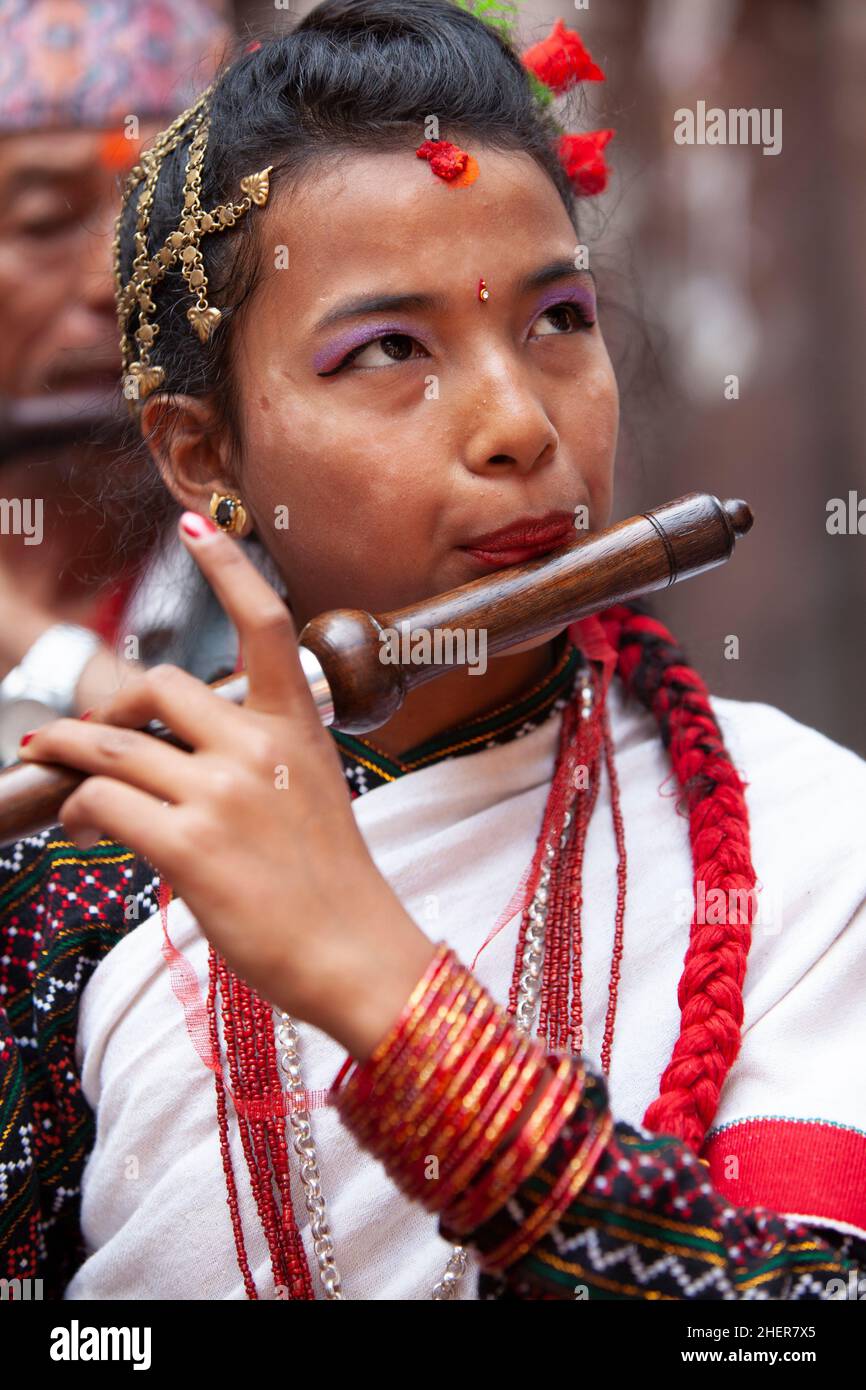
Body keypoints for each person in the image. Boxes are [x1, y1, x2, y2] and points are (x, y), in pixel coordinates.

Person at [1, 0, 864, 1301]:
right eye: (388, 349)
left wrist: (380, 987)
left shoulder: (803, 834)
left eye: (558, 318)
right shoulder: (80, 889)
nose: (518, 421)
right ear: (202, 452)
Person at [0, 0, 234, 761]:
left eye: (161, 216)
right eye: (43, 220)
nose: (119, 278)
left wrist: (33, 643)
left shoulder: (291, 571)